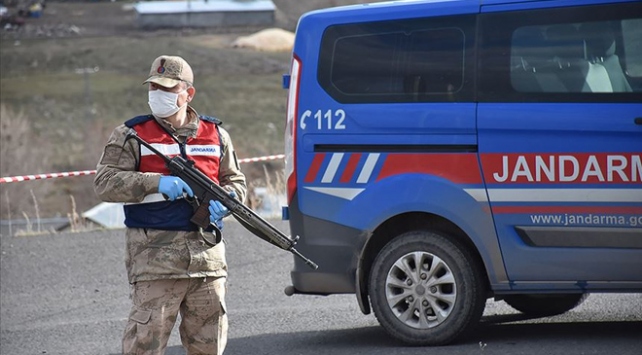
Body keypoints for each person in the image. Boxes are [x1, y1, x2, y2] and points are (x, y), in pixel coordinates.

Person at [94, 55, 247, 355]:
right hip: (155, 263)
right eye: (154, 88)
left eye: (166, 88)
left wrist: (228, 201)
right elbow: (105, 183)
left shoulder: (215, 135)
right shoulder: (132, 135)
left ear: (187, 93)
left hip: (207, 263)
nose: (157, 95)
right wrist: (155, 183)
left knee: (209, 348)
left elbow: (237, 182)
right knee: (144, 348)